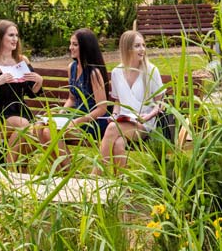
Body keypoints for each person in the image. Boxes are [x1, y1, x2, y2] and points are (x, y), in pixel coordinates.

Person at [0, 20, 48, 164]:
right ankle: (11, 166)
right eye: (11, 35)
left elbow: (32, 93)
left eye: (16, 35)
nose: (15, 39)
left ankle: (11, 164)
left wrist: (39, 81)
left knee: (34, 131)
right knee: (24, 127)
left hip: (20, 109)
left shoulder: (21, 60)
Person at [99, 30, 165, 170]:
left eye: (143, 45)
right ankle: (122, 186)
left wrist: (147, 116)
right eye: (137, 46)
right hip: (123, 121)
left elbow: (160, 104)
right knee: (118, 143)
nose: (142, 49)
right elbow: (117, 103)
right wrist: (114, 115)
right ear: (127, 48)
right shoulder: (117, 72)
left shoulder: (151, 70)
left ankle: (95, 175)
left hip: (144, 124)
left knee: (112, 128)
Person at [60, 28, 110, 144]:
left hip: (92, 122)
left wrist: (78, 121)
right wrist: (60, 113)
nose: (70, 48)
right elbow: (72, 98)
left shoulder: (93, 73)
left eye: (75, 44)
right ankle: (65, 162)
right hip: (75, 117)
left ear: (85, 47)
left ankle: (65, 162)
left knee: (51, 133)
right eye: (70, 44)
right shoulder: (72, 67)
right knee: (42, 130)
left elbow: (102, 109)